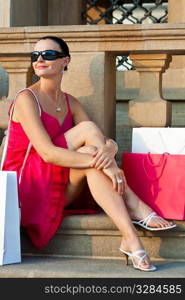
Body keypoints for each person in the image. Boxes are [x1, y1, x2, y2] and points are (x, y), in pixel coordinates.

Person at [2, 36, 176, 272]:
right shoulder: (26, 99)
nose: (40, 59)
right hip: (27, 188)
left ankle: (130, 237)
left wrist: (110, 149)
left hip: (60, 183)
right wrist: (111, 166)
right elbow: (48, 153)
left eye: (49, 54)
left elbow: (102, 141)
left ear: (66, 61)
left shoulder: (70, 102)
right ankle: (134, 212)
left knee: (91, 146)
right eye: (35, 56)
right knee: (90, 146)